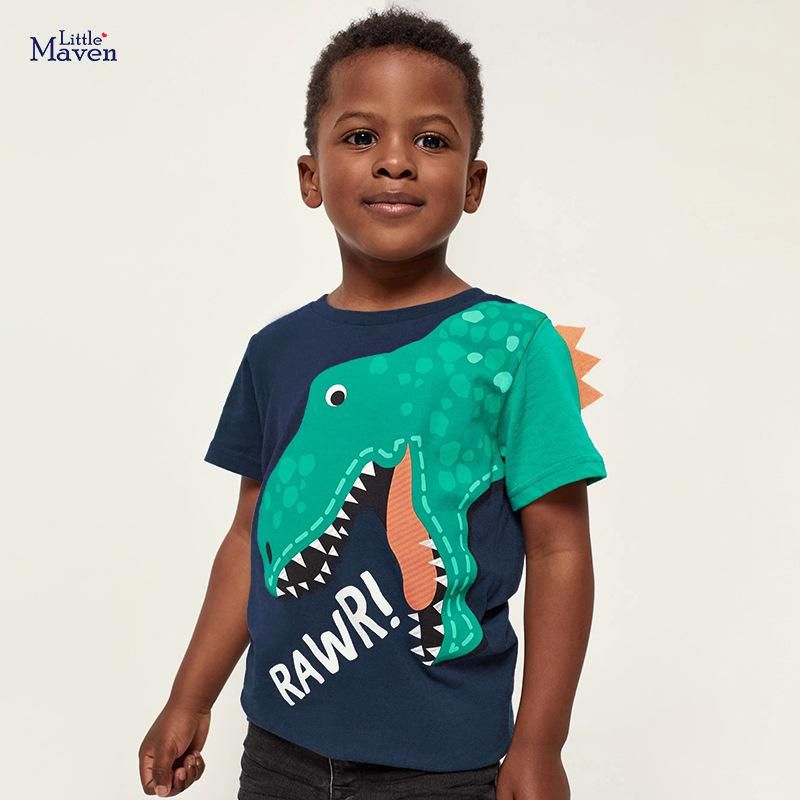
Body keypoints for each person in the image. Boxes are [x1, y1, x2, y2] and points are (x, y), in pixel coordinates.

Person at [138, 6, 607, 799]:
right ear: (310, 177)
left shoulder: (519, 347)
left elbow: (560, 550)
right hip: (280, 748)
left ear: (473, 183)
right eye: (361, 137)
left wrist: (541, 742)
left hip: (445, 766)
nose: (396, 162)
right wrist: (190, 696)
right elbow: (250, 535)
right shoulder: (276, 351)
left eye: (432, 141)